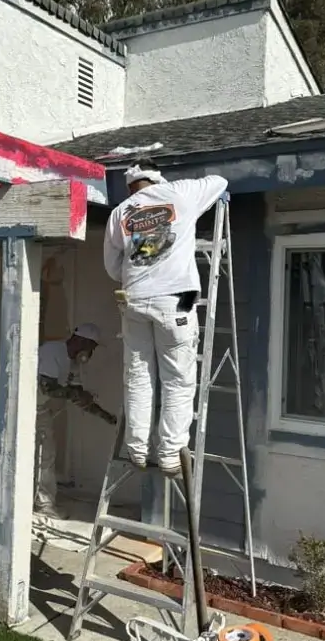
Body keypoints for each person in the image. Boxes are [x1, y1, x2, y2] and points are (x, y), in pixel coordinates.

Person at [103, 156, 228, 476]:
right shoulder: (182, 193)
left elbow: (112, 265)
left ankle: (137, 449)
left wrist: (137, 275)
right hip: (175, 303)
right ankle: (171, 454)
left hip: (134, 301)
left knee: (139, 376)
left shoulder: (121, 212)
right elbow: (220, 181)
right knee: (177, 379)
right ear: (156, 178)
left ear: (130, 186)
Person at [35, 323, 101, 520]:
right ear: (80, 340)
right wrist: (75, 393)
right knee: (37, 455)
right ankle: (39, 502)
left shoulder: (74, 363)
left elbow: (76, 393)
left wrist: (105, 415)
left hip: (40, 409)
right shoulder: (52, 351)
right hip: (22, 406)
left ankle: (42, 502)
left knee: (47, 454)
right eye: (92, 346)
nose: (91, 352)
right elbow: (47, 387)